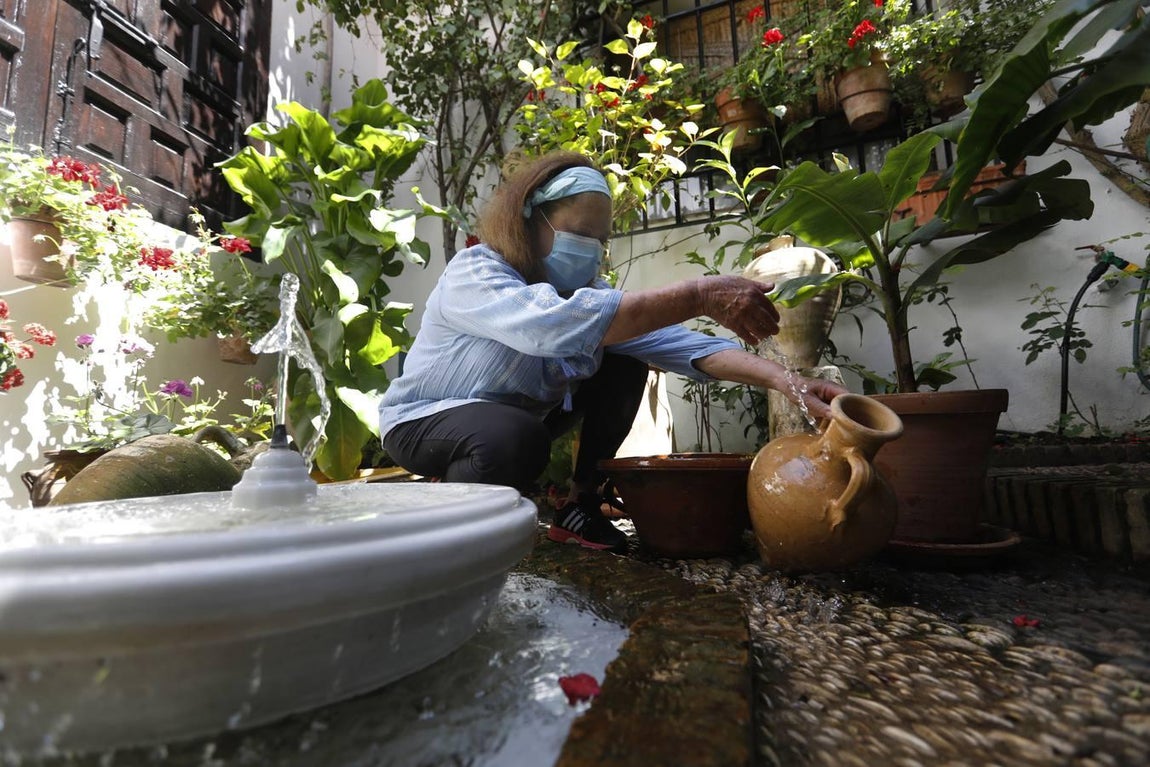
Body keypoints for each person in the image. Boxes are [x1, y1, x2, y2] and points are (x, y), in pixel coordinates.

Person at [380, 151, 847, 553]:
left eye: (599, 241)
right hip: (425, 421)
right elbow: (547, 327)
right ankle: (453, 521)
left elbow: (678, 344)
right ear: (529, 217)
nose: (590, 250)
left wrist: (788, 382)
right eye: (578, 233)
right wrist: (699, 294)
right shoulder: (477, 270)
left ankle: (578, 504)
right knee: (513, 438)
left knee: (623, 360)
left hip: (509, 423)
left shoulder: (585, 291)